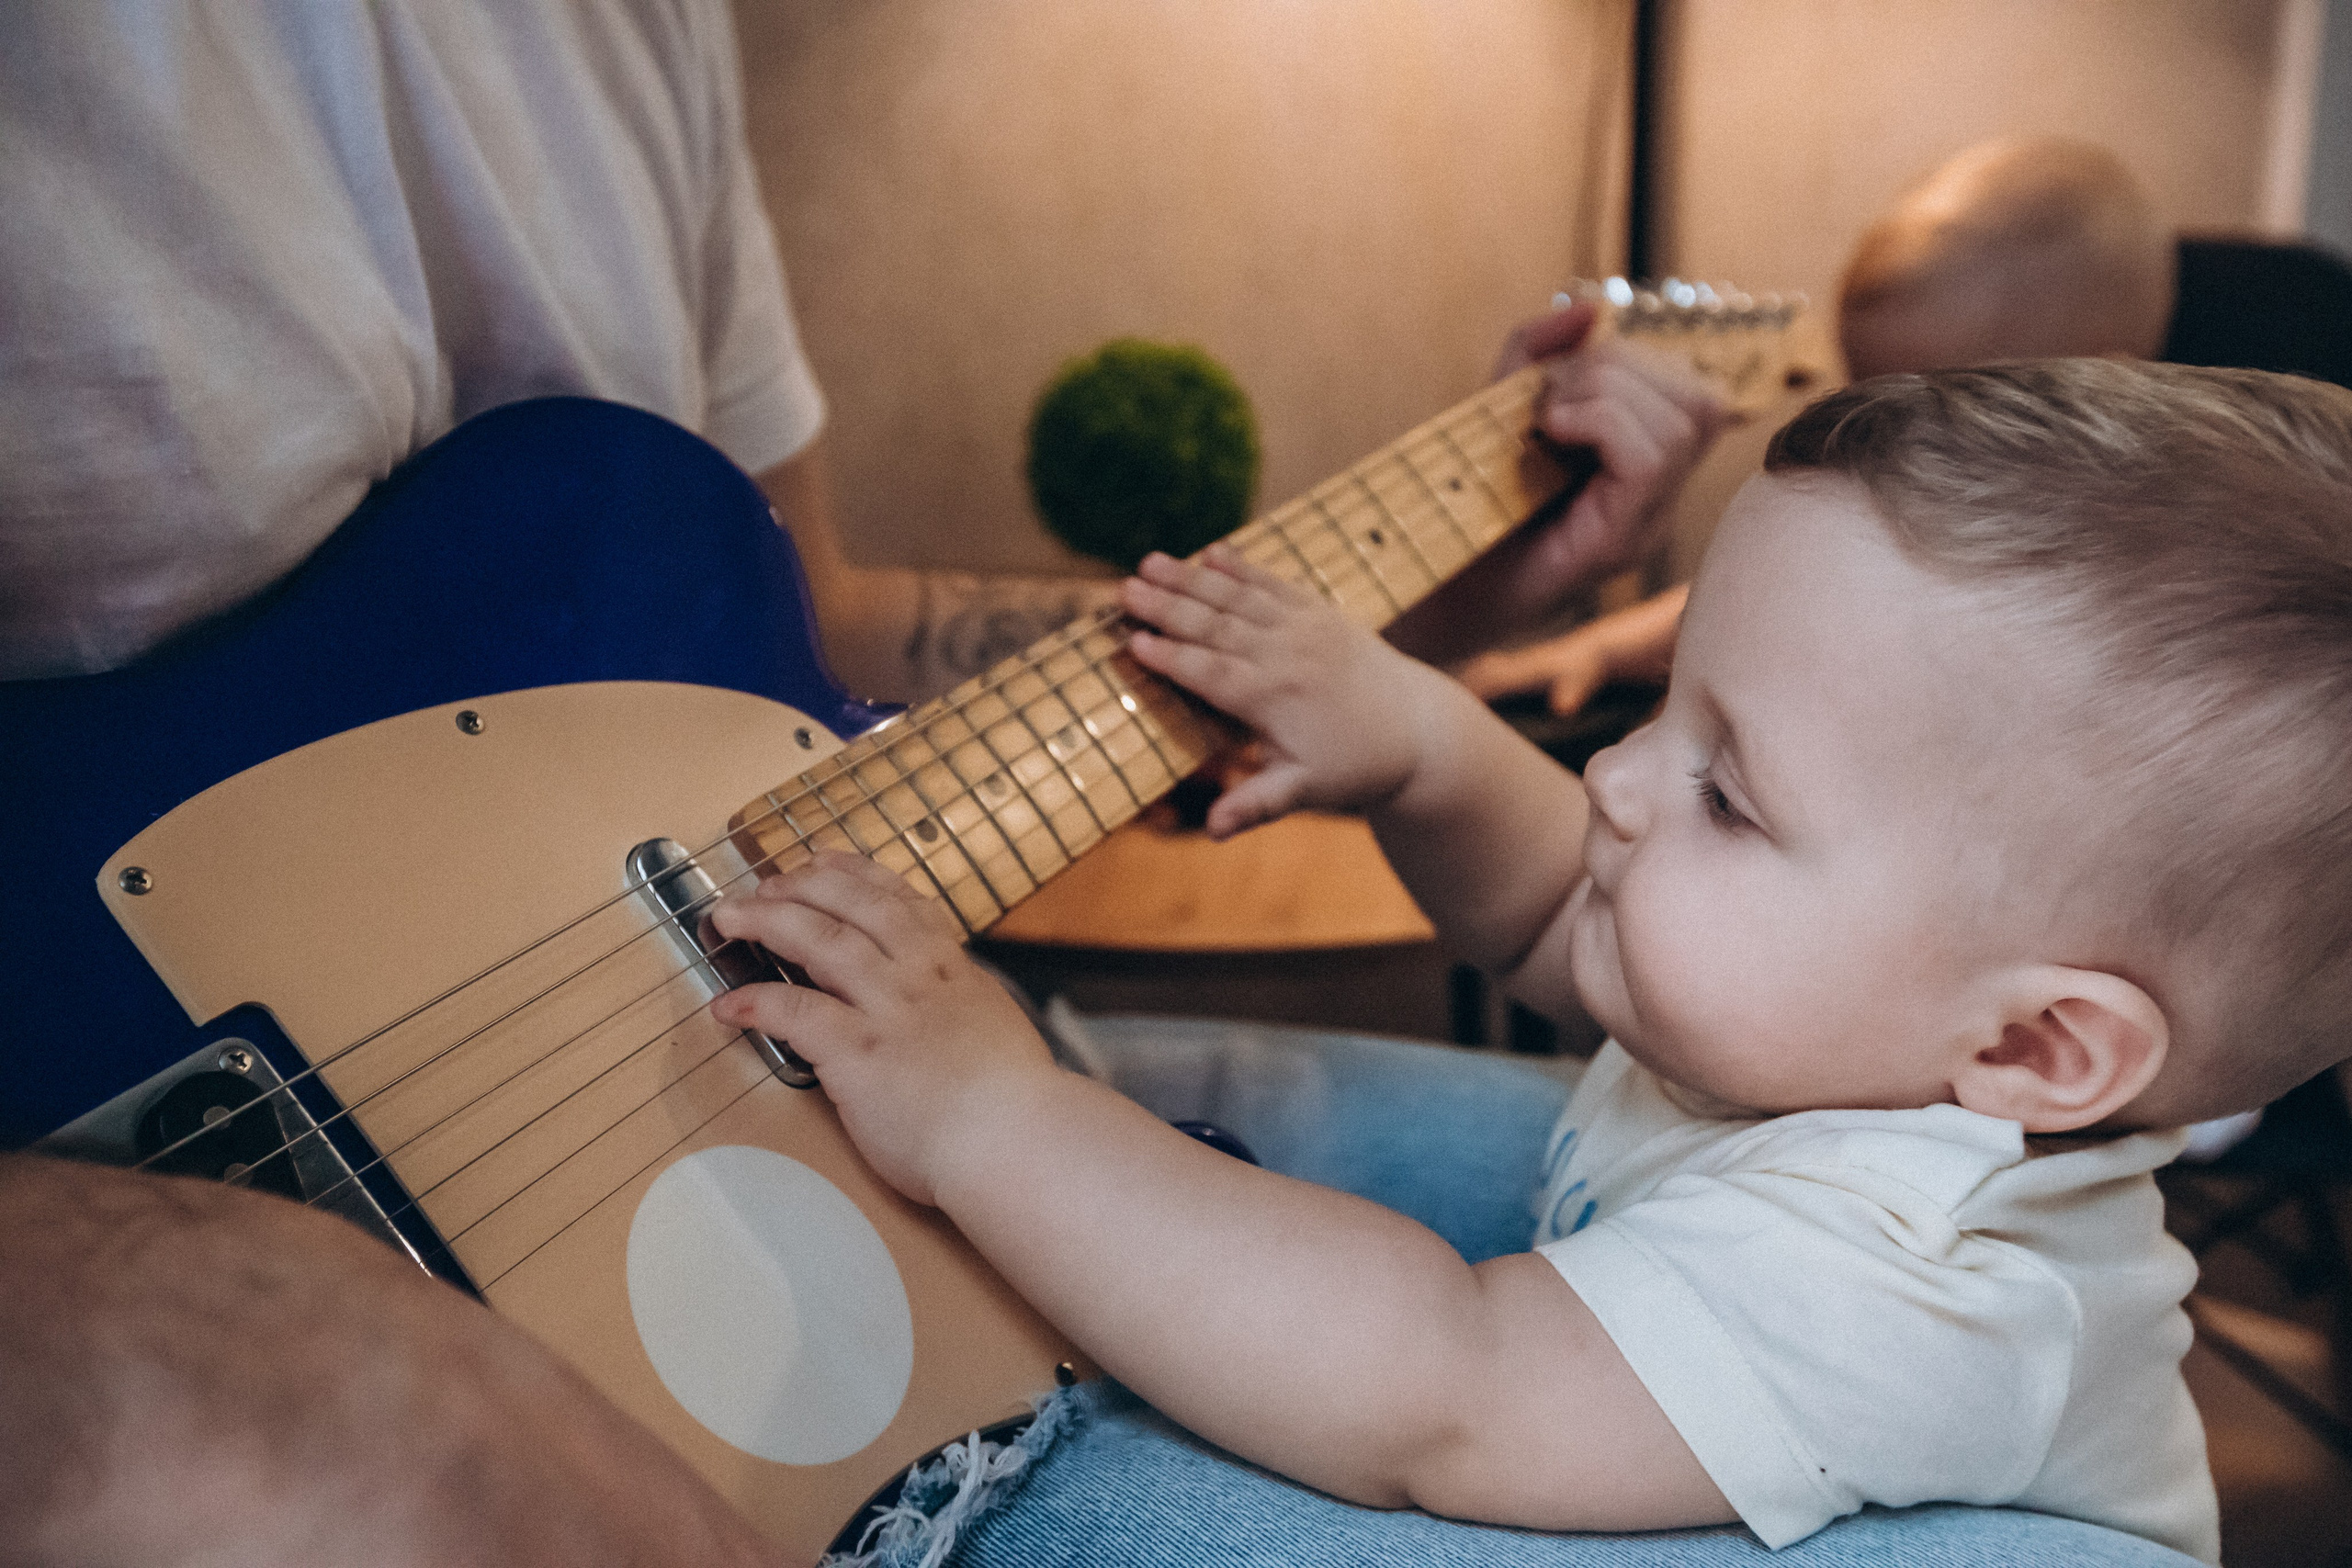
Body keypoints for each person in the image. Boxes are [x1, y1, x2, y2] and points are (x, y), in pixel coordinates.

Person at [710, 357, 2352, 1563]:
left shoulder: (1914, 1280)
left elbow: (1444, 1383)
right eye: (1669, 710)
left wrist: (992, 1114)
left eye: (1729, 792)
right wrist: (1420, 742)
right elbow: (1564, 904)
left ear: (2035, 1052)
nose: (1624, 783)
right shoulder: (1859, 1015)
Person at [1461, 135, 2281, 717]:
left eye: (1945, 406)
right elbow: (1804, 595)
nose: (1889, 441)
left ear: (2104, 383)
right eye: (1867, 396)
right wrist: (1597, 650)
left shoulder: (2165, 564)